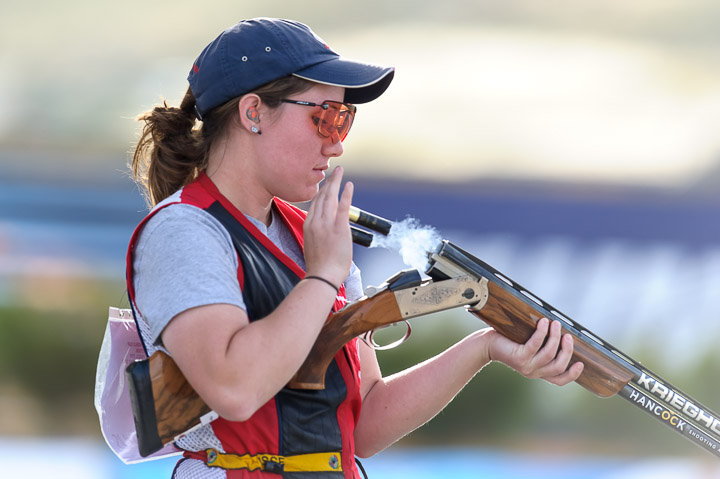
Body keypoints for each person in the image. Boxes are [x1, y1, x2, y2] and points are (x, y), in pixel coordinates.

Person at [127, 17, 584, 479]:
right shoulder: (185, 229)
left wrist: (485, 347)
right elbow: (234, 390)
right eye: (324, 118)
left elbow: (362, 425)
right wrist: (323, 276)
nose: (336, 144)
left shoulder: (315, 236)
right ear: (252, 113)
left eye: (344, 121)